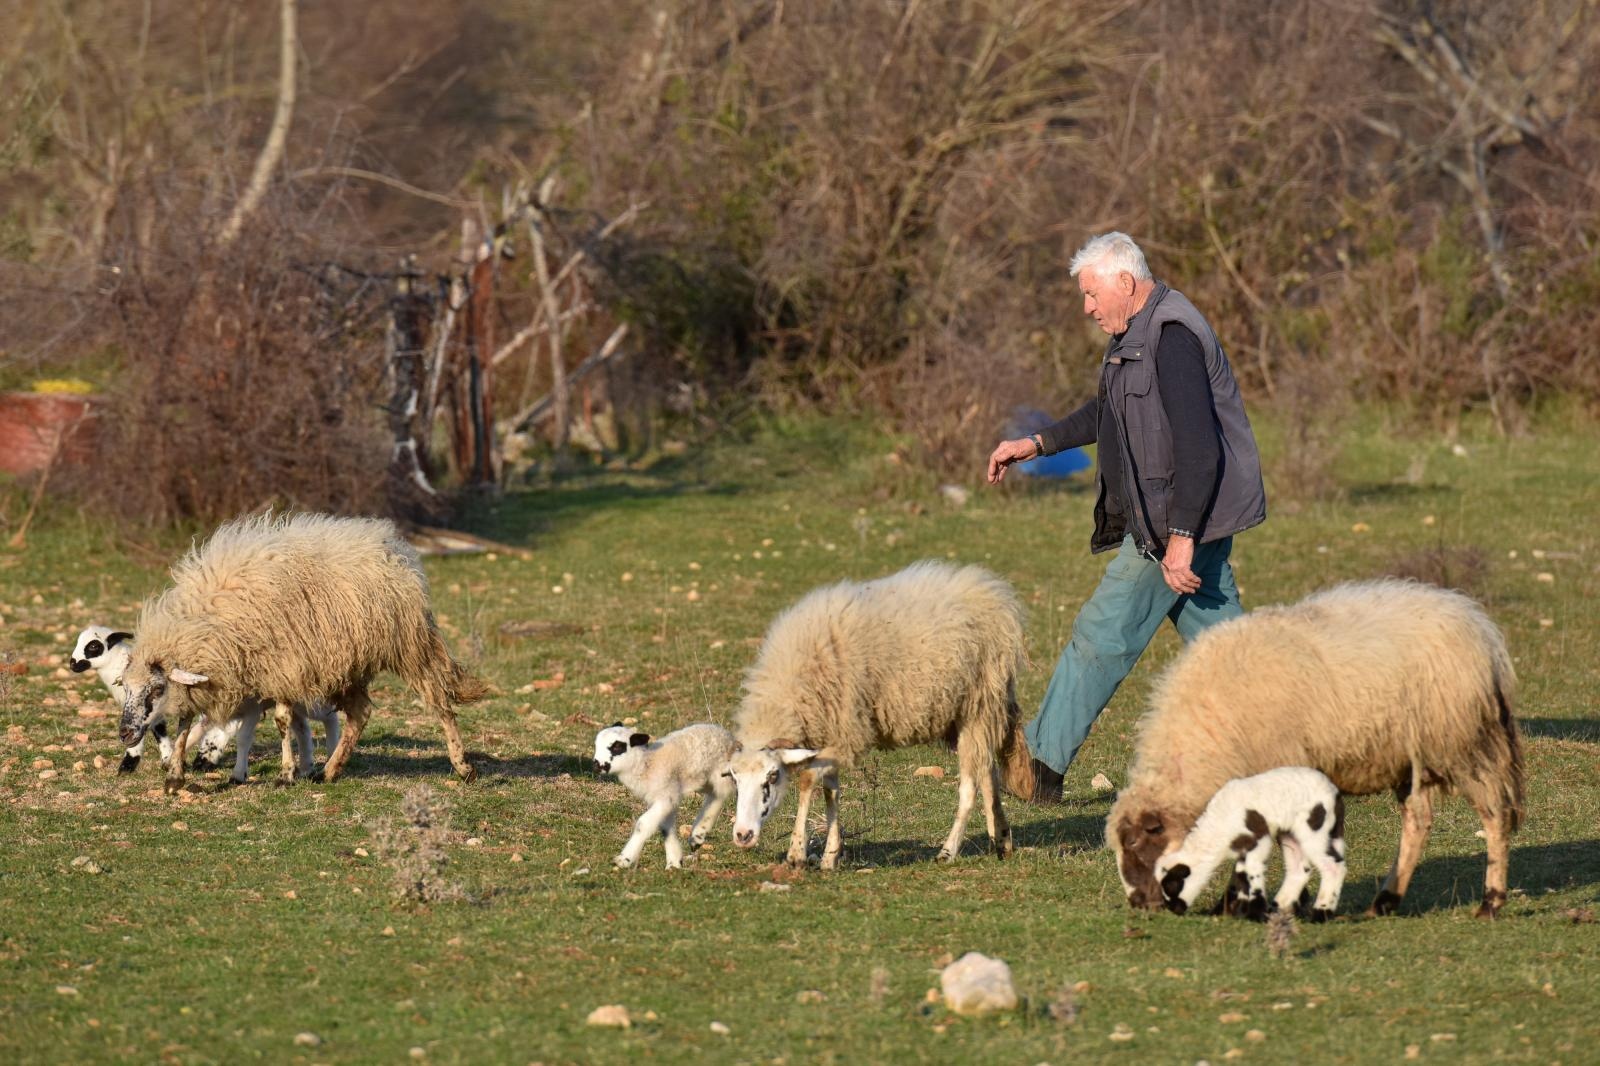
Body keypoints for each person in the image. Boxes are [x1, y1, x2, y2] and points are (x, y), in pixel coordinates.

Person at [985, 232, 1266, 803]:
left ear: (1125, 283)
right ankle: (1300, 746)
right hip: (1178, 520)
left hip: (1172, 527)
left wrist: (1181, 539)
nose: (1087, 307)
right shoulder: (1134, 336)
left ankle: (1037, 765)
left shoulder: (1172, 338)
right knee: (1231, 653)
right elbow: (1106, 412)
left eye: (1091, 294)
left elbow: (1198, 447)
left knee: (1101, 633)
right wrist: (1036, 444)